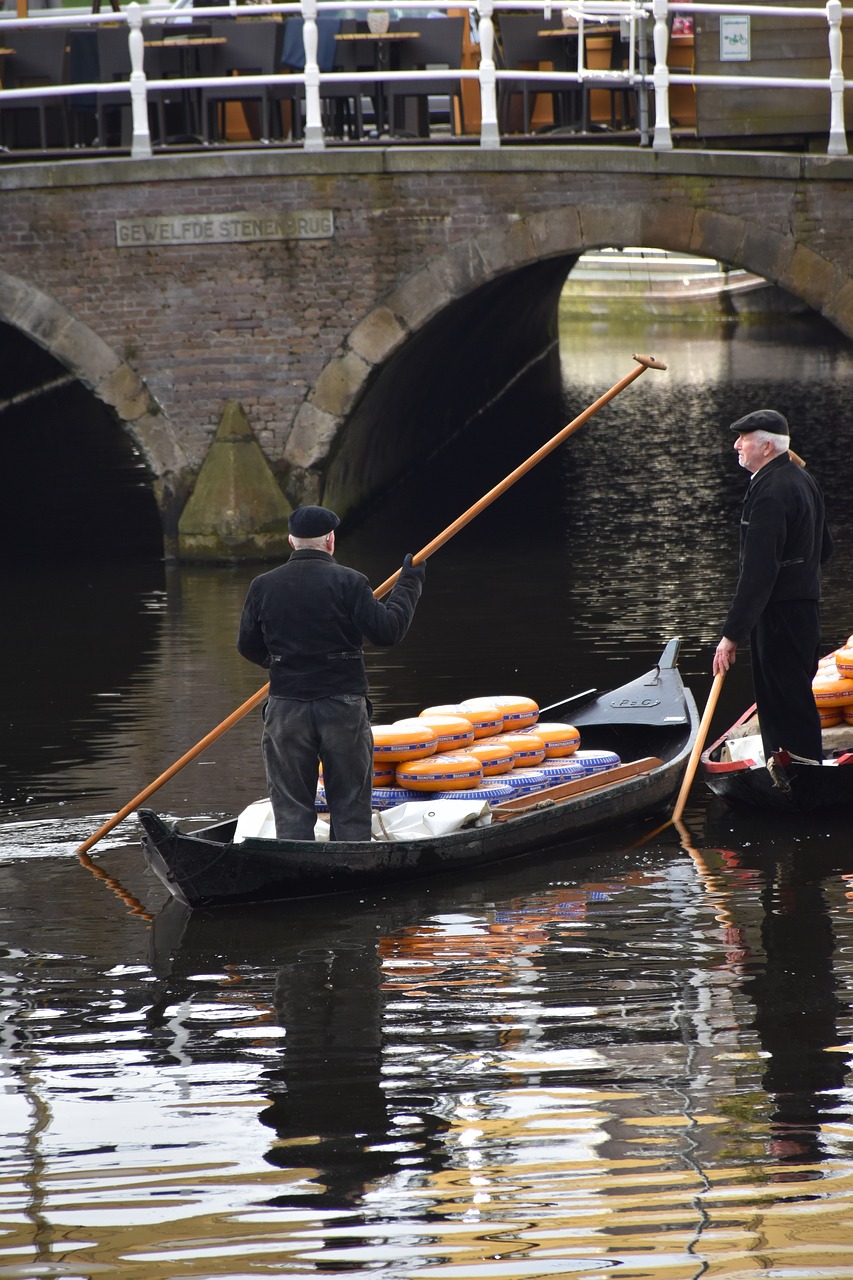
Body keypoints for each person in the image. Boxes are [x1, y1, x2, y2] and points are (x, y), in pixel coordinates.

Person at [237, 505, 425, 841]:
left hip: (286, 709)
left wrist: (284, 663)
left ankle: (298, 871)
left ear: (291, 542)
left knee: (291, 808)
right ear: (331, 541)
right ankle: (351, 870)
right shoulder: (350, 582)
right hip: (342, 706)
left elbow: (248, 646)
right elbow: (388, 631)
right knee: (351, 805)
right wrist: (409, 582)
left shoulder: (262, 586)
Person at [713, 409, 833, 764]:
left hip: (779, 614)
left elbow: (757, 574)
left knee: (783, 703)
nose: (736, 444)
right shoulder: (802, 480)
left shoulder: (770, 493)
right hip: (805, 609)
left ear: (767, 447)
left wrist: (731, 635)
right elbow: (824, 549)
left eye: (744, 439)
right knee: (794, 696)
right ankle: (801, 770)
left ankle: (797, 777)